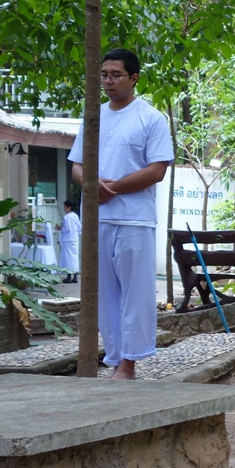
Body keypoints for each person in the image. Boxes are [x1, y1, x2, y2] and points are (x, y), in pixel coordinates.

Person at [68, 49, 174, 380]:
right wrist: (90, 184)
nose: (108, 81)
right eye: (104, 75)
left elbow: (157, 170)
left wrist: (113, 188)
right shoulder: (93, 117)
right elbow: (76, 166)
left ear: (134, 78)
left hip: (134, 219)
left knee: (136, 292)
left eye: (116, 75)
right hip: (96, 218)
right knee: (102, 295)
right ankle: (114, 359)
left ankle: (129, 362)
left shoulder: (152, 118)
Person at [58, 199, 81, 283]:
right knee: (74, 258)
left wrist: (60, 228)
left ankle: (68, 277)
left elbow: (66, 228)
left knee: (68, 258)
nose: (64, 208)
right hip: (75, 238)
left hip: (67, 239)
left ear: (69, 207)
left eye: (65, 206)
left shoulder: (66, 217)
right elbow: (79, 227)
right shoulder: (75, 216)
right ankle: (75, 277)